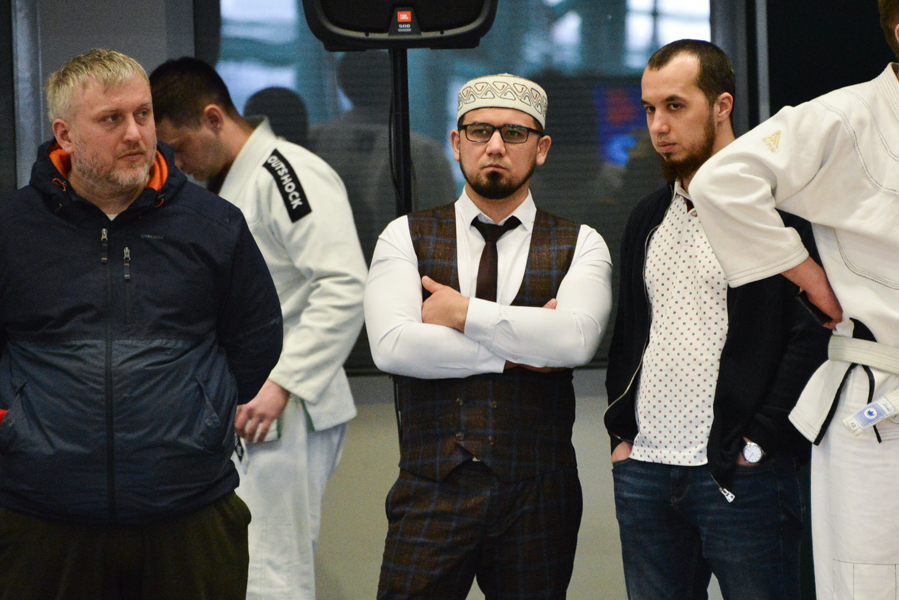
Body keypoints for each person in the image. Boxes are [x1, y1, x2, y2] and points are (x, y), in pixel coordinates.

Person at [0, 49, 283, 600]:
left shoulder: (213, 225)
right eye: (111, 119)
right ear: (65, 135)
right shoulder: (13, 228)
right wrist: (14, 422)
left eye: (143, 115)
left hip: (189, 511)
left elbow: (256, 337)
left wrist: (206, 409)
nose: (135, 133)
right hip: (41, 514)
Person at [365, 73, 613, 599]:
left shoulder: (583, 243)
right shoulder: (403, 235)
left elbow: (574, 343)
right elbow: (392, 347)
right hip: (431, 486)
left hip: (539, 494)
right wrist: (519, 351)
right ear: (457, 143)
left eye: (514, 133)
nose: (495, 146)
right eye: (480, 131)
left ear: (541, 148)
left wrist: (460, 313)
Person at [604, 40, 830, 600]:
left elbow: (815, 332)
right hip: (646, 470)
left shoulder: (778, 210)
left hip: (738, 469)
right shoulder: (647, 216)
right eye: (649, 109)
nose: (658, 126)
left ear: (722, 106)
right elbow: (630, 334)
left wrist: (760, 440)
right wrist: (622, 439)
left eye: (675, 106)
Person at [689, 3, 899, 598]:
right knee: (871, 581)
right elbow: (722, 182)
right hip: (881, 402)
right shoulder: (845, 116)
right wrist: (807, 275)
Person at [150, 58, 367, 600]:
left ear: (213, 118)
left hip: (285, 405)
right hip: (247, 405)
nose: (177, 164)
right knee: (242, 567)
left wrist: (282, 384)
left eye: (179, 147)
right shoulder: (226, 187)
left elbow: (344, 285)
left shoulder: (285, 174)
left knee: (272, 571)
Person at [309, 50, 457, 265]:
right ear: (396, 84)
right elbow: (444, 241)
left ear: (341, 82)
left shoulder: (311, 142)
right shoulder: (425, 153)